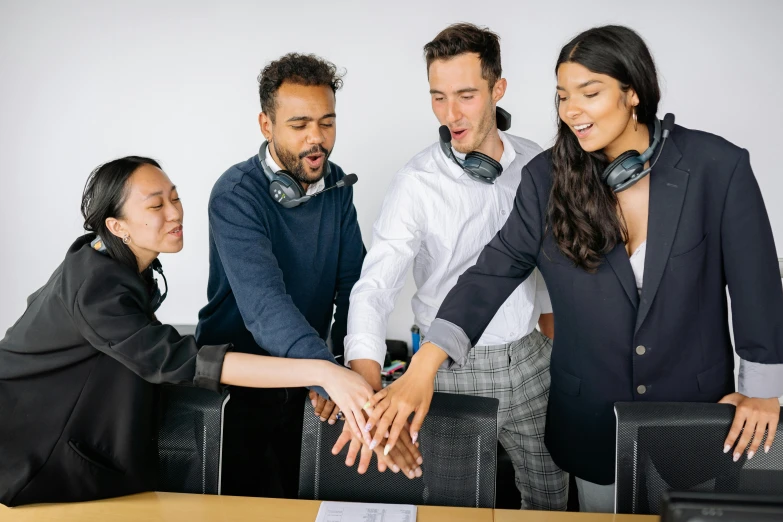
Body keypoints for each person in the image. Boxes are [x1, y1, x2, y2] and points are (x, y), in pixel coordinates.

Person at [364, 25, 783, 513]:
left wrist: (763, 393)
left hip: (698, 414)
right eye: (563, 96)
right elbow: (490, 275)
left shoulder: (719, 167)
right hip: (592, 422)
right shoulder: (545, 180)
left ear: (633, 93)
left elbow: (758, 287)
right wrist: (424, 365)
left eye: (590, 92)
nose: (571, 111)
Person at [0, 157, 375, 507]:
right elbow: (184, 360)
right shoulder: (97, 288)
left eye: (175, 197)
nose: (175, 212)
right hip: (32, 456)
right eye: (155, 206)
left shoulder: (110, 260)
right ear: (117, 226)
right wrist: (321, 370)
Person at [339, 23, 567, 509]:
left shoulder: (538, 164)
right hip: (447, 371)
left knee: (551, 502)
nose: (450, 114)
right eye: (438, 97)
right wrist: (366, 378)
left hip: (532, 363)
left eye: (465, 95)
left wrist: (552, 327)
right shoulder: (415, 183)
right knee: (453, 508)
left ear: (497, 89)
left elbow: (551, 258)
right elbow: (374, 286)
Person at [195, 53, 420, 498]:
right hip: (238, 388)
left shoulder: (336, 186)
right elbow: (265, 308)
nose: (316, 139)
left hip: (308, 384)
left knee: (303, 500)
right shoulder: (235, 194)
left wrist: (342, 370)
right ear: (266, 125)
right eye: (299, 125)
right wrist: (329, 378)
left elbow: (354, 289)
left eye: (327, 122)